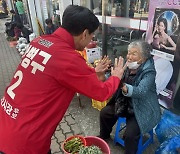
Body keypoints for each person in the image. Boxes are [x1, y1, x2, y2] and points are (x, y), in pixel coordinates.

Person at [0, 5, 127, 154]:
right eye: (92, 36)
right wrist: (116, 77)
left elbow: (55, 75)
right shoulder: (68, 58)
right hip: (24, 142)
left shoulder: (40, 41)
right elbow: (101, 92)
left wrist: (91, 72)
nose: (92, 40)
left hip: (6, 121)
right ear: (84, 34)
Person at [98, 41, 161, 154]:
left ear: (143, 57)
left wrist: (122, 84)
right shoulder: (127, 66)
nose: (129, 57)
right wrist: (104, 76)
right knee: (105, 113)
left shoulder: (149, 72)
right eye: (128, 53)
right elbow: (115, 78)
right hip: (124, 102)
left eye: (134, 54)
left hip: (141, 108)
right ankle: (104, 136)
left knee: (130, 135)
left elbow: (141, 91)